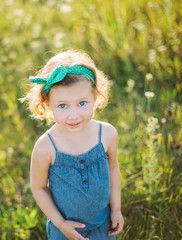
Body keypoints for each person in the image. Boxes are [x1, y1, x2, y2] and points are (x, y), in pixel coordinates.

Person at [21, 50, 124, 240]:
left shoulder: (107, 134)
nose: (74, 115)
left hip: (103, 225)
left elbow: (113, 170)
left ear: (95, 96)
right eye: (63, 106)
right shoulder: (46, 147)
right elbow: (39, 188)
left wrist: (116, 209)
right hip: (65, 230)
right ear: (47, 104)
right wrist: (60, 224)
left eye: (82, 103)